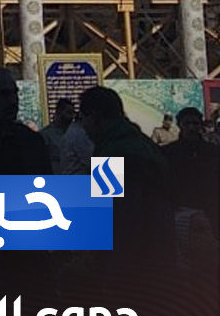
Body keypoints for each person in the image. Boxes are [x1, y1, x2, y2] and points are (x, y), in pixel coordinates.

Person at [78, 86, 173, 269]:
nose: (84, 128)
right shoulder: (144, 144)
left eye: (83, 119)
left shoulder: (111, 152)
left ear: (94, 117)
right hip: (161, 256)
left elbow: (110, 219)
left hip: (129, 265)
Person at [163, 107, 219, 237]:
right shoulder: (169, 152)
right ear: (180, 125)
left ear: (200, 125)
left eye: (195, 123)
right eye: (187, 123)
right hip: (180, 207)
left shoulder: (213, 151)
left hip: (211, 207)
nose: (191, 128)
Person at [40, 98, 77, 174]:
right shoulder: (46, 135)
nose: (71, 117)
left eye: (73, 113)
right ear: (59, 112)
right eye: (68, 113)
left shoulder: (75, 134)